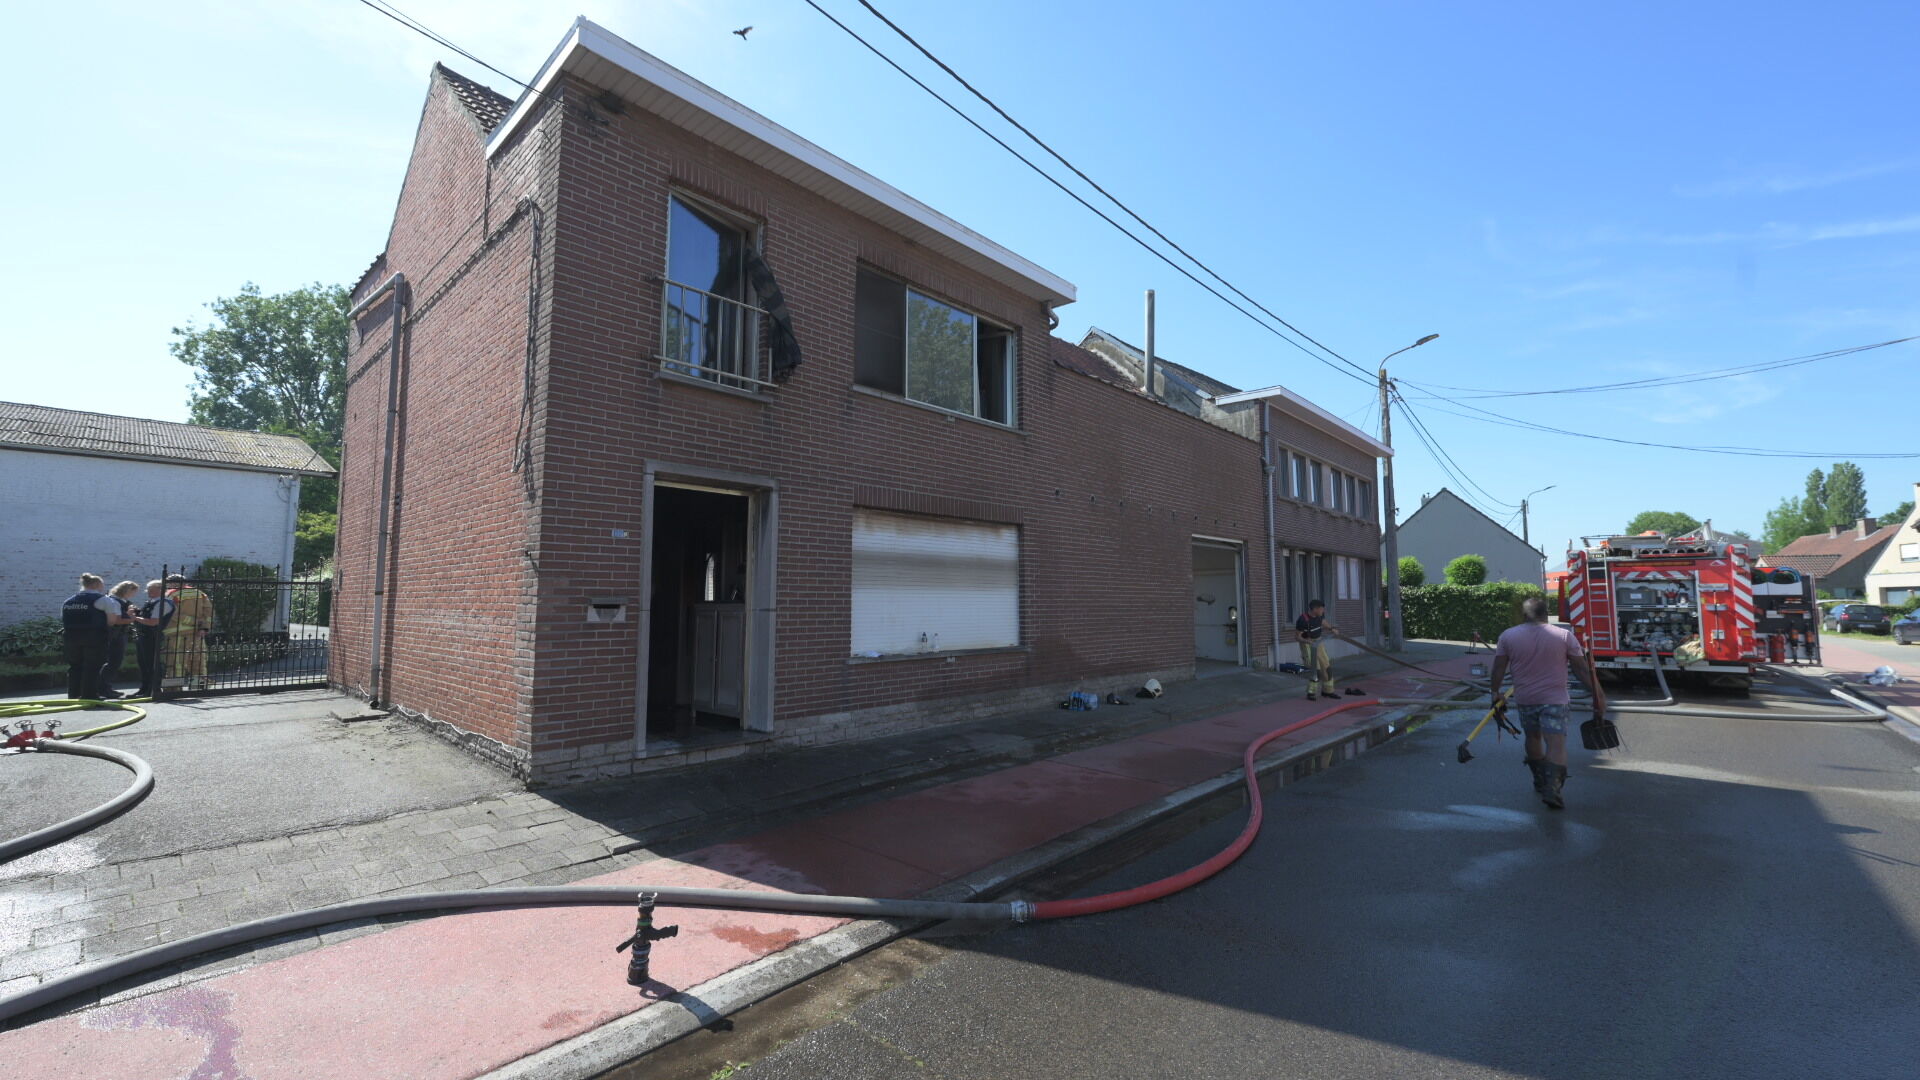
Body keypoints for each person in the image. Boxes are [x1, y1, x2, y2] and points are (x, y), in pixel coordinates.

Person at [1488, 596, 1607, 809]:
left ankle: (1540, 779)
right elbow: (1582, 670)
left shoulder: (1508, 636)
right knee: (1556, 741)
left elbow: (1498, 668)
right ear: (1546, 613)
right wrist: (1599, 697)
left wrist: (1495, 692)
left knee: (1533, 737)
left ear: (1524, 615)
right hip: (1555, 700)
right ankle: (1552, 787)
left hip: (1526, 698)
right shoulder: (1564, 636)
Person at [60, 573, 126, 701]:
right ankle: (90, 695)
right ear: (96, 584)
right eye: (102, 584)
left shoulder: (68, 601)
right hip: (94, 637)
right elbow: (112, 621)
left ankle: (73, 694)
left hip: (71, 637)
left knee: (75, 666)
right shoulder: (103, 600)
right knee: (93, 666)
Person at [164, 573, 215, 690]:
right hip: (198, 633)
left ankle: (173, 688)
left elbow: (172, 614)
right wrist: (204, 627)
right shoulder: (200, 593)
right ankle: (199, 686)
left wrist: (193, 622)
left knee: (176, 661)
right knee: (198, 660)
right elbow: (209, 612)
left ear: (173, 583)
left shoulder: (169, 595)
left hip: (177, 633)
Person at [131, 580, 176, 698]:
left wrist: (134, 618)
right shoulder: (152, 602)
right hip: (143, 636)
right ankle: (144, 689)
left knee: (151, 664)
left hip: (152, 637)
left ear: (161, 590)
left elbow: (153, 622)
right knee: (143, 664)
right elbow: (146, 617)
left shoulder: (163, 603)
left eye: (151, 589)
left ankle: (153, 689)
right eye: (148, 589)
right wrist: (137, 613)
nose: (148, 591)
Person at [98, 581, 141, 697]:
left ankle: (105, 687)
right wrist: (132, 618)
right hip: (115, 634)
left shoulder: (117, 601)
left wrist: (128, 613)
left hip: (115, 634)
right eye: (133, 592)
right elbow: (117, 620)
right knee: (113, 661)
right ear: (127, 591)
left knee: (112, 661)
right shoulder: (116, 602)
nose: (134, 595)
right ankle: (104, 689)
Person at [1294, 599, 1343, 701]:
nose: (1323, 611)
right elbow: (1297, 637)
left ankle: (1328, 691)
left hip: (1318, 642)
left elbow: (1323, 622)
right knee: (1316, 670)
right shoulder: (1302, 620)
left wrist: (1332, 628)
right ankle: (1311, 693)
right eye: (1321, 609)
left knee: (1327, 667)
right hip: (1308, 644)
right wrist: (1307, 641)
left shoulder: (1319, 616)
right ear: (1315, 609)